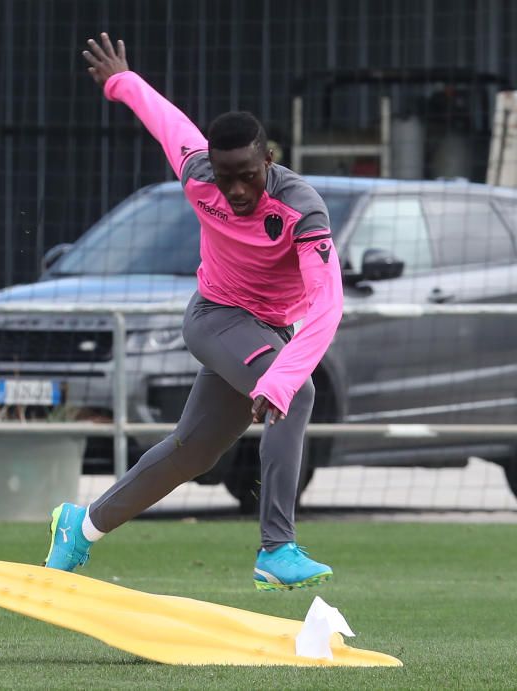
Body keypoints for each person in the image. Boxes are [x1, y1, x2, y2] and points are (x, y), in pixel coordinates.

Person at [44, 34, 344, 591]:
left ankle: (80, 527)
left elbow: (328, 304)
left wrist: (276, 375)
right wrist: (119, 80)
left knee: (193, 453)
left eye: (247, 175)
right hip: (215, 317)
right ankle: (277, 548)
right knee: (298, 394)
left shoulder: (301, 208)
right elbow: (167, 120)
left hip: (267, 329)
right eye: (225, 175)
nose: (234, 190)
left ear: (268, 160)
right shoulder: (197, 171)